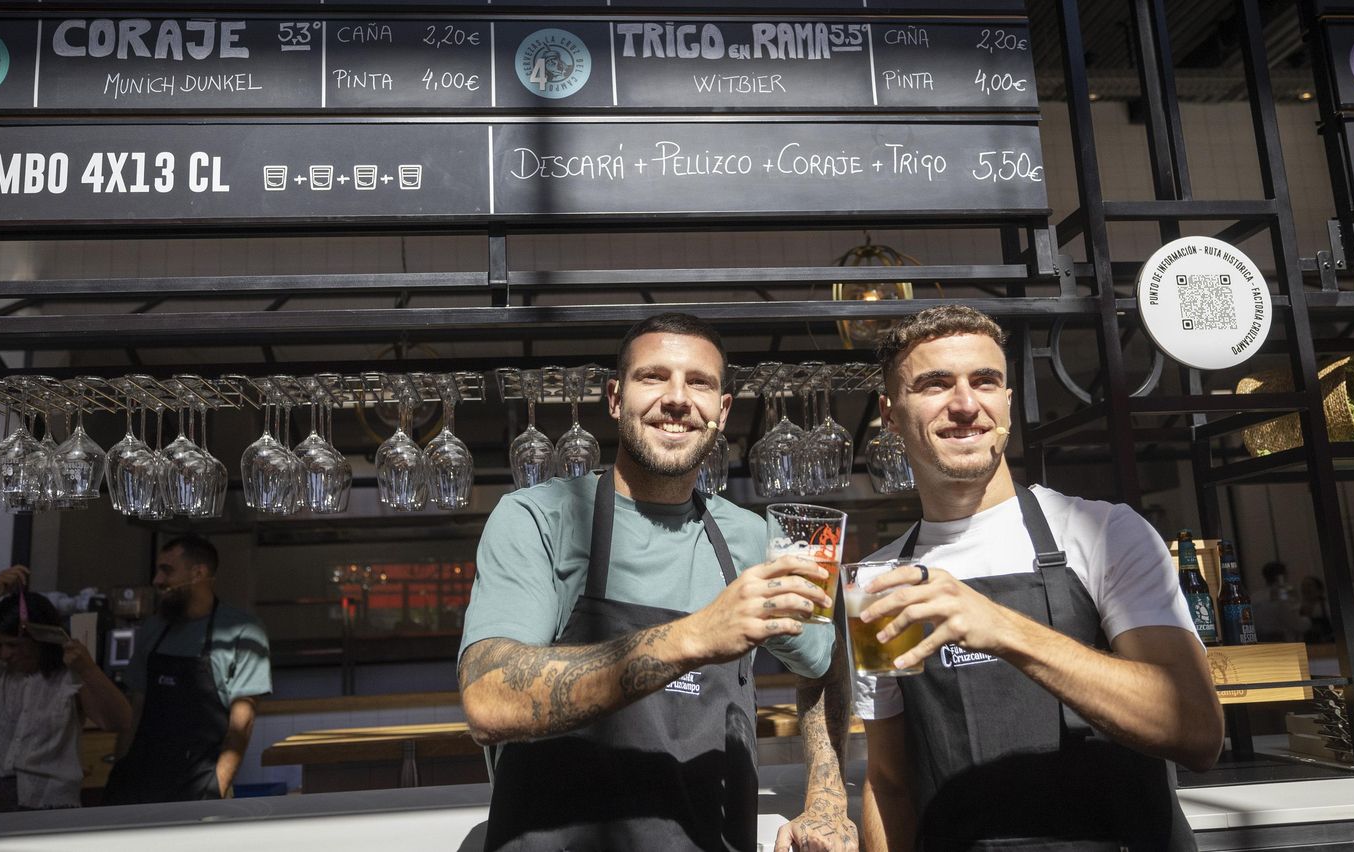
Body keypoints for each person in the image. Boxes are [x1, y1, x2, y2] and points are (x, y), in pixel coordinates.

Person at [460, 313, 856, 852]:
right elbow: (488, 697)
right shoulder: (538, 517)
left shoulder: (755, 538)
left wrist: (827, 805)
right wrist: (696, 636)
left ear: (722, 411)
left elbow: (826, 664)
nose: (677, 398)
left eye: (700, 383)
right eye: (653, 377)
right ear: (615, 399)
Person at [854, 305, 1224, 851]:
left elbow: (1197, 730)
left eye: (985, 381)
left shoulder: (1104, 533)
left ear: (1007, 401)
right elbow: (889, 780)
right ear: (889, 413)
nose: (964, 404)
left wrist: (1003, 628)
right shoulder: (879, 581)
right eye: (935, 384)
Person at [0, 566, 133, 813]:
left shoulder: (68, 680)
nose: (5, 654)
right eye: (0, 645)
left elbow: (119, 720)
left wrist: (88, 670)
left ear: (41, 639)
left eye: (14, 645)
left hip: (46, 803)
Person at [104, 534, 272, 805]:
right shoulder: (153, 628)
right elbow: (135, 709)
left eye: (167, 570)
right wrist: (120, 772)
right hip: (141, 781)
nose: (157, 580)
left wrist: (215, 787)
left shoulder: (242, 630)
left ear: (198, 573)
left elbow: (242, 722)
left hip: (201, 783)